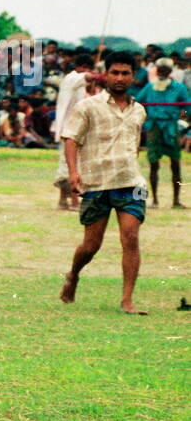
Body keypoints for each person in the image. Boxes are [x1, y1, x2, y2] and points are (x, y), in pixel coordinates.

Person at [60, 52, 148, 315]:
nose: (120, 78)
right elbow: (70, 139)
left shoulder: (139, 110)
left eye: (125, 73)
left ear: (133, 76)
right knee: (91, 245)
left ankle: (127, 300)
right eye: (115, 73)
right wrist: (74, 172)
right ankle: (73, 275)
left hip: (131, 182)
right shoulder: (88, 106)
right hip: (97, 182)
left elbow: (135, 144)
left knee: (131, 238)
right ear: (105, 74)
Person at [132, 57, 188, 208]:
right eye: (160, 70)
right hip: (153, 127)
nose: (162, 73)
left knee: (175, 164)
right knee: (153, 164)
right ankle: (155, 200)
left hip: (171, 128)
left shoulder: (179, 88)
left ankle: (176, 200)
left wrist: (182, 120)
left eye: (165, 70)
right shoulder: (149, 87)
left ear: (170, 71)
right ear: (156, 71)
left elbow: (186, 108)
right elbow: (137, 103)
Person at [52, 54, 97, 208]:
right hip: (69, 129)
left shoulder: (79, 86)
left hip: (77, 129)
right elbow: (88, 77)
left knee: (69, 165)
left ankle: (63, 200)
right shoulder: (72, 78)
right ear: (82, 67)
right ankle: (75, 201)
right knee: (70, 166)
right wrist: (97, 74)